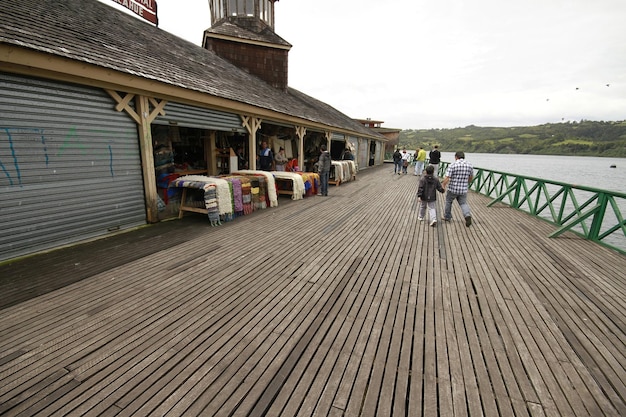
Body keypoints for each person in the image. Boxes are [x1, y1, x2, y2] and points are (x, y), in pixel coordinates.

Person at [441, 151, 474, 226]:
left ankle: (447, 217)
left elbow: (447, 177)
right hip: (463, 189)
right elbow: (471, 177)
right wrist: (467, 183)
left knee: (448, 201)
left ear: (456, 157)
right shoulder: (469, 165)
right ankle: (467, 215)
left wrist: (443, 185)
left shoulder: (453, 165)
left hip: (453, 188)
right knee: (463, 203)